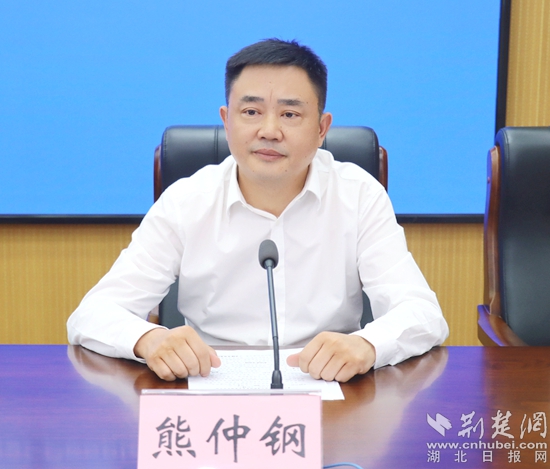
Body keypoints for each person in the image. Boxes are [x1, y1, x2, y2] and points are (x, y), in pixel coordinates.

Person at [67, 39, 448, 383]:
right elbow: (92, 315)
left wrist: (367, 344)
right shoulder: (186, 200)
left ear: (322, 128)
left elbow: (422, 313)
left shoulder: (359, 195)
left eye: (290, 114)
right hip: (211, 384)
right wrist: (149, 339)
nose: (269, 130)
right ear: (226, 120)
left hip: (329, 385)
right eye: (250, 111)